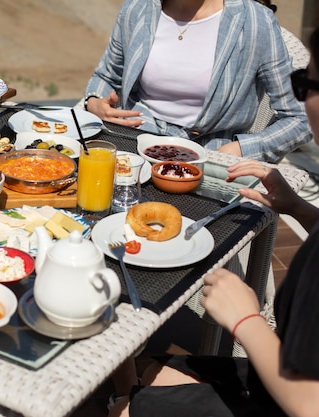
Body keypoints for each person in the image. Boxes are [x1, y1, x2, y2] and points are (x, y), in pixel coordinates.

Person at [108, 24, 319, 417]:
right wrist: (301, 210)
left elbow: (310, 404)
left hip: (291, 395)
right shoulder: (138, 13)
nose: (302, 100)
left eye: (307, 84)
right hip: (280, 374)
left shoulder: (249, 21)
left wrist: (246, 320)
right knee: (146, 371)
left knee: (124, 408)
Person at [83, 0, 311, 163]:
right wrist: (93, 101)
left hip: (210, 157)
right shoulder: (136, 9)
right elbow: (106, 76)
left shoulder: (255, 22)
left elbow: (301, 118)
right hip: (131, 145)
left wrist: (243, 148)